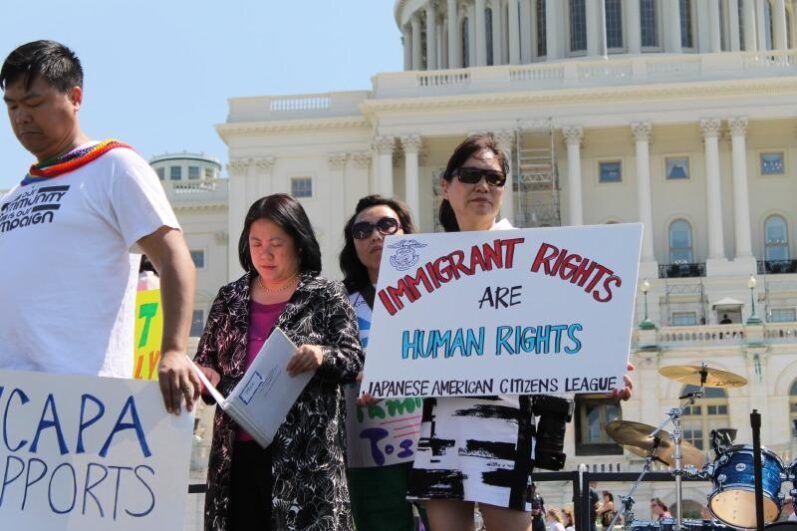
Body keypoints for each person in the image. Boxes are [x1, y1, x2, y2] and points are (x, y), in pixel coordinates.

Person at [406, 134, 634, 531]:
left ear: (504, 190)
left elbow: (562, 335)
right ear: (446, 186)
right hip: (442, 424)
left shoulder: (531, 254)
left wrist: (605, 365)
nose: (482, 186)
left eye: (493, 179)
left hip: (506, 425)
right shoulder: (424, 261)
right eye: (470, 175)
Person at [0, 40, 198, 413]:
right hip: (12, 413)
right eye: (11, 106)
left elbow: (175, 259)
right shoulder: (11, 199)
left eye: (34, 103)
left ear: (75, 97)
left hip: (81, 410)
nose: (21, 117)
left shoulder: (114, 167)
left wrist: (173, 350)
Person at [193, 194, 363, 530]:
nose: (264, 253)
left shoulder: (325, 294)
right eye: (255, 243)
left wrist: (321, 355)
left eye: (275, 243)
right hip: (237, 456)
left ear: (298, 244)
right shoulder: (230, 297)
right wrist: (206, 376)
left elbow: (353, 359)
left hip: (306, 459)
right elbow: (204, 361)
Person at [339, 194, 427, 530]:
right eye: (362, 230)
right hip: (369, 445)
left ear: (406, 232)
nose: (376, 235)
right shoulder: (340, 303)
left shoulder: (441, 291)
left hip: (433, 435)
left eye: (386, 225)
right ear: (354, 245)